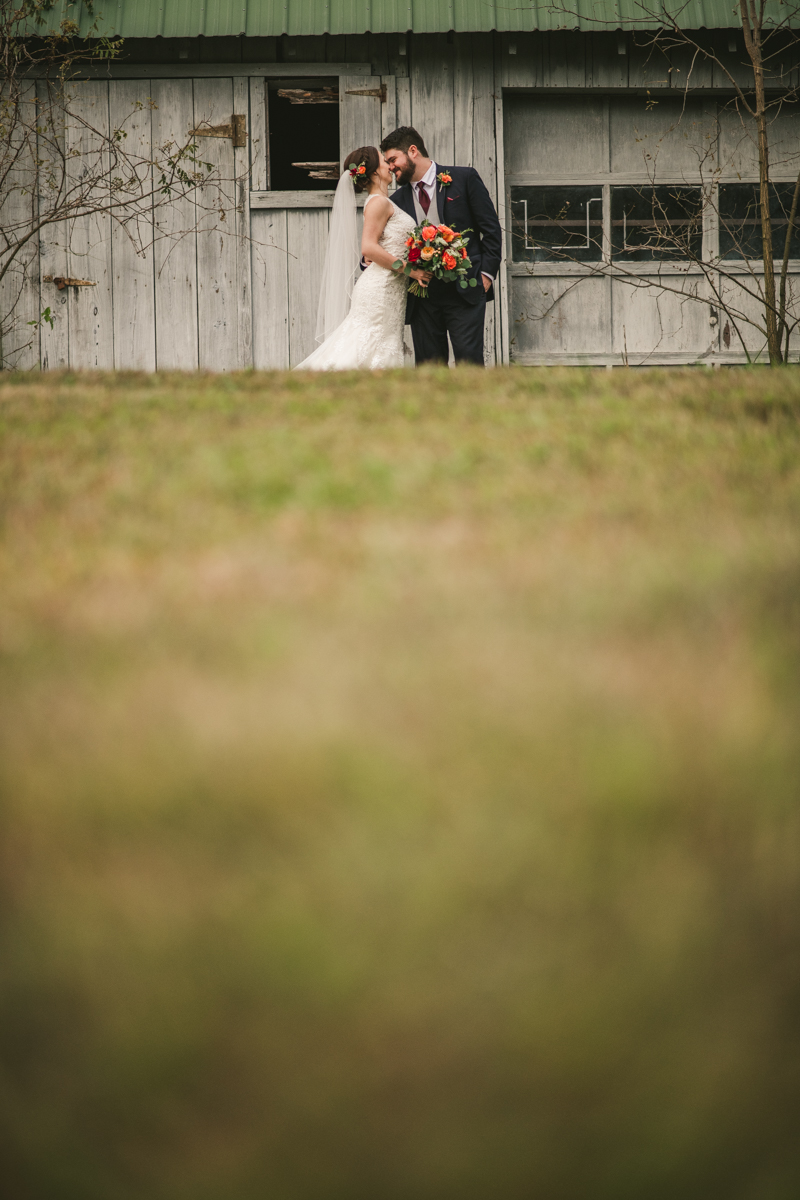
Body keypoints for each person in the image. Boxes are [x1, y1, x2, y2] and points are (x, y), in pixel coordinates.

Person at [295, 145, 431, 371]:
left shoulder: (385, 202)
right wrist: (411, 270)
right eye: (383, 161)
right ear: (375, 172)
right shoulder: (378, 203)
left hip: (390, 292)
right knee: (366, 350)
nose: (389, 165)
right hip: (380, 290)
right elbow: (368, 248)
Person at [380, 126, 502, 367]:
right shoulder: (395, 202)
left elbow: (490, 229)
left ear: (412, 151)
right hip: (422, 295)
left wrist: (485, 276)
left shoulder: (464, 178)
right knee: (429, 368)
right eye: (387, 162)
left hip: (466, 289)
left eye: (393, 159)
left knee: (470, 364)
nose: (390, 167)